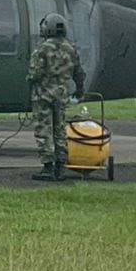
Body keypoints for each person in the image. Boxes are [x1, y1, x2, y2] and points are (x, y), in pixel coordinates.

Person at [27, 12, 86, 181]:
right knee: (60, 129)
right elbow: (79, 73)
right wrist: (79, 90)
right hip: (61, 95)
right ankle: (61, 167)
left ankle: (47, 166)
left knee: (43, 129)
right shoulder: (71, 48)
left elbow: (34, 74)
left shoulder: (42, 48)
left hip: (43, 95)